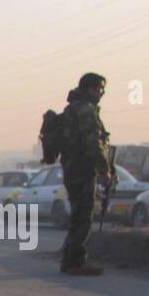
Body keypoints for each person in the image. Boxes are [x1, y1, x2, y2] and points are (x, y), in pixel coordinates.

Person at [58, 72, 111, 276]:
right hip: (82, 170)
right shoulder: (86, 111)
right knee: (83, 217)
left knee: (77, 215)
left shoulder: (72, 108)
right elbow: (92, 145)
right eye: (100, 88)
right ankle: (76, 262)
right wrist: (104, 170)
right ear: (90, 88)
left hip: (72, 169)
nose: (101, 93)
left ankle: (69, 260)